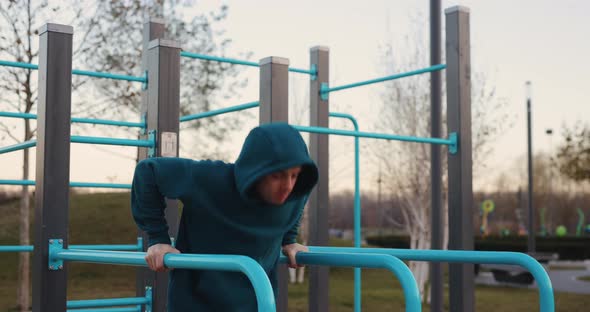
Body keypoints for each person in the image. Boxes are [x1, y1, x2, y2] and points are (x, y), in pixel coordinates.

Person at [131, 122, 319, 311]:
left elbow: (300, 199)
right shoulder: (212, 179)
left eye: (294, 175)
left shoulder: (295, 192)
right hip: (195, 302)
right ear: (256, 169)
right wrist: (158, 238)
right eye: (277, 176)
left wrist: (289, 240)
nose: (288, 186)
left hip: (255, 302)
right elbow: (148, 171)